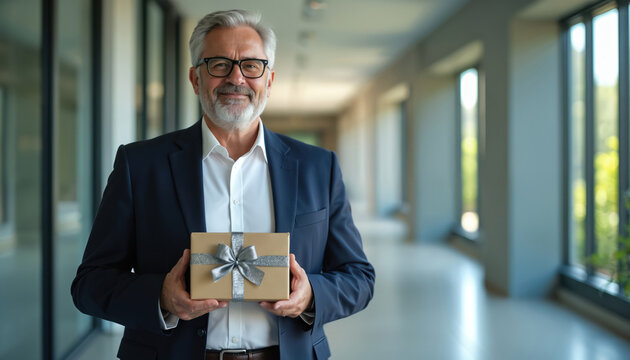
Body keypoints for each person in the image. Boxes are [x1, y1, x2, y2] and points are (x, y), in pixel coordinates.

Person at [71, 9, 375, 360]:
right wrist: (161, 297)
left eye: (251, 65)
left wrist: (311, 296)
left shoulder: (318, 168)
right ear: (195, 79)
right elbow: (90, 284)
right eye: (218, 64)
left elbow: (358, 277)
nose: (236, 78)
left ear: (269, 80)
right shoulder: (140, 166)